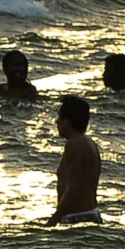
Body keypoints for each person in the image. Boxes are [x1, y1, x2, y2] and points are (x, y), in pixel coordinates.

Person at [50, 96, 102, 225]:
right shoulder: (88, 142)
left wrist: (55, 217)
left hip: (78, 217)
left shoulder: (74, 145)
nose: (56, 122)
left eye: (59, 118)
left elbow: (73, 187)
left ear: (67, 123)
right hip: (88, 213)